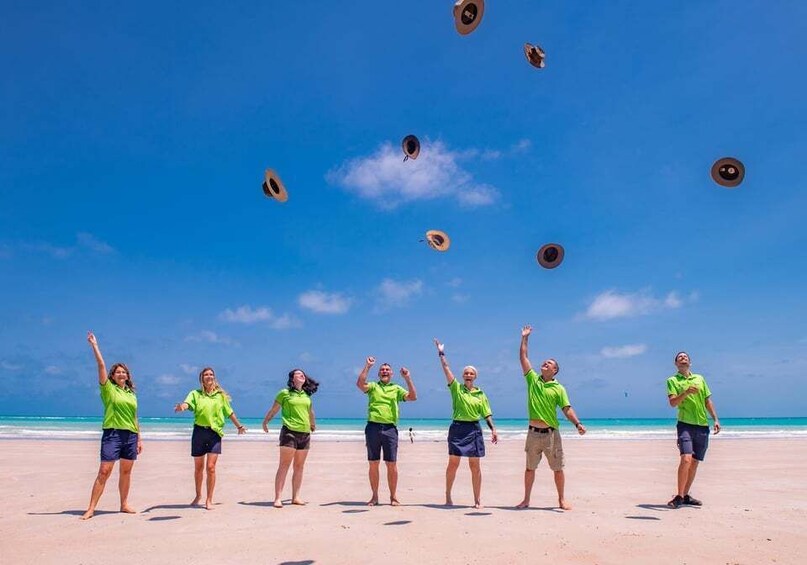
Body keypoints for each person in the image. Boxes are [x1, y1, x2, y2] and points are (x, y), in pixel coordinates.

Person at [516, 325, 585, 511]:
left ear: (555, 370)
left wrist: (577, 424)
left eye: (549, 364)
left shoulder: (559, 388)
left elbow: (566, 408)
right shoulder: (533, 379)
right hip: (532, 433)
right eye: (544, 362)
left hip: (551, 434)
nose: (545, 364)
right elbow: (523, 357)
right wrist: (525, 338)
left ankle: (561, 500)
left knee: (557, 469)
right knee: (530, 468)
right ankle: (526, 499)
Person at [81, 331, 142, 520]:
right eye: (118, 372)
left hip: (130, 435)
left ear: (127, 375)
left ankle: (123, 504)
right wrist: (95, 346)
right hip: (113, 434)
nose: (121, 374)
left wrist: (139, 438)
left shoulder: (131, 394)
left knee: (126, 471)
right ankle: (91, 508)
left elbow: (135, 417)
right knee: (104, 471)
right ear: (113, 376)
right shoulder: (108, 389)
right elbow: (101, 365)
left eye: (124, 372)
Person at [434, 338, 498, 509]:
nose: (468, 375)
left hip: (474, 429)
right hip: (457, 428)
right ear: (463, 376)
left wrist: (493, 430)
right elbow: (446, 369)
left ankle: (477, 500)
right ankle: (448, 496)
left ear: (475, 376)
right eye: (466, 373)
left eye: (471, 373)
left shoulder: (481, 394)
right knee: (453, 463)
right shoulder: (456, 388)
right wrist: (441, 353)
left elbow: (486, 414)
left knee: (475, 466)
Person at [174, 367, 246, 510]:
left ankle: (209, 499)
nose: (209, 377)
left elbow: (229, 412)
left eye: (211, 374)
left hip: (215, 433)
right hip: (199, 432)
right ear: (202, 378)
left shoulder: (220, 396)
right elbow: (187, 404)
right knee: (199, 468)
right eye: (206, 375)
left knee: (211, 468)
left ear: (214, 378)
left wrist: (239, 426)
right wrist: (182, 407)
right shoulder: (195, 394)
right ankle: (198, 495)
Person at [356, 357, 417, 506]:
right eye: (382, 370)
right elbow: (360, 384)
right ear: (378, 374)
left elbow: (413, 397)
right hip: (373, 427)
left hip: (390, 429)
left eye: (387, 370)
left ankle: (393, 496)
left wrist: (407, 378)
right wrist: (368, 366)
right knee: (373, 463)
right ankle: (375, 496)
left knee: (391, 464)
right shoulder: (373, 386)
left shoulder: (396, 388)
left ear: (391, 374)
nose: (385, 371)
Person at [666, 351, 721, 509]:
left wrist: (715, 419)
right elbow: (672, 403)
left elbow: (707, 400)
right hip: (685, 425)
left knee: (695, 462)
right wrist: (685, 392)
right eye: (679, 357)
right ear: (676, 363)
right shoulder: (672, 381)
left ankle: (685, 495)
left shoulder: (700, 378)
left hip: (702, 426)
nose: (683, 359)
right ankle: (679, 496)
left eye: (685, 357)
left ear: (690, 362)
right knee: (686, 459)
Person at [262, 369, 319, 508]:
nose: (302, 376)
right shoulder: (284, 393)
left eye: (303, 374)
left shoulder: (306, 395)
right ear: (292, 379)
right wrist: (266, 421)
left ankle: (296, 497)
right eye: (298, 374)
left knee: (299, 466)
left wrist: (313, 424)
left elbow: (310, 411)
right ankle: (278, 498)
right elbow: (274, 409)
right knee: (284, 465)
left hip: (305, 433)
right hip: (289, 432)